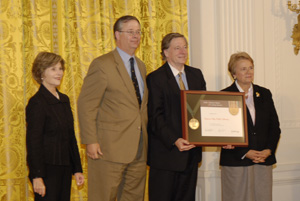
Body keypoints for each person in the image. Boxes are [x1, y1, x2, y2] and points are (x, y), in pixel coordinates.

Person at [77, 15, 148, 201]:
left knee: (133, 197)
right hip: (108, 149)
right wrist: (90, 140)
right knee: (103, 196)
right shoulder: (102, 64)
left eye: (138, 32)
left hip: (139, 149)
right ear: (117, 34)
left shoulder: (141, 66)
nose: (136, 36)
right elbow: (86, 105)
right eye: (130, 32)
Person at [146, 33, 206, 201]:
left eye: (185, 47)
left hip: (191, 154)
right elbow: (155, 116)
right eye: (177, 48)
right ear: (166, 52)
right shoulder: (155, 78)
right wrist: (175, 140)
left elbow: (204, 110)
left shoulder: (196, 75)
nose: (183, 51)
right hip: (166, 154)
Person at [220, 52, 281, 201]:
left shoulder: (264, 94)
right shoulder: (224, 95)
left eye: (251, 68)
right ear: (234, 74)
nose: (249, 72)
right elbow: (223, 131)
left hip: (262, 159)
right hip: (236, 161)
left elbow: (274, 127)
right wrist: (244, 152)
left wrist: (268, 150)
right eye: (243, 69)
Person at [26, 52, 84, 201]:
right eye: (53, 69)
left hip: (65, 168)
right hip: (46, 171)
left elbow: (71, 137)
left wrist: (77, 169)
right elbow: (33, 142)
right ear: (41, 72)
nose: (59, 73)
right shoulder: (37, 102)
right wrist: (37, 176)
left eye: (60, 68)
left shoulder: (64, 99)